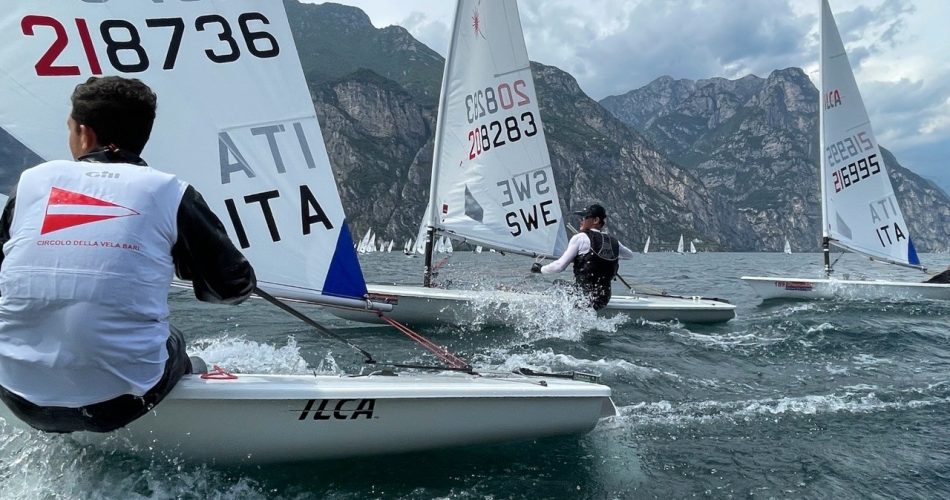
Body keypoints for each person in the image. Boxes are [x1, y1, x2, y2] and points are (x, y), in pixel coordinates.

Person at [0, 76, 256, 433]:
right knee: (174, 339)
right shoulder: (169, 190)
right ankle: (194, 369)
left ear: (85, 135)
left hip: (16, 395)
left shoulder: (31, 182)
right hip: (116, 405)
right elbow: (232, 286)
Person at [531, 203, 634, 310]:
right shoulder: (614, 242)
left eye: (585, 217)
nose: (581, 220)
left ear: (596, 220)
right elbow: (629, 255)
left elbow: (559, 266)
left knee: (558, 284)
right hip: (603, 299)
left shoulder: (580, 238)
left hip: (583, 297)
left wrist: (540, 269)